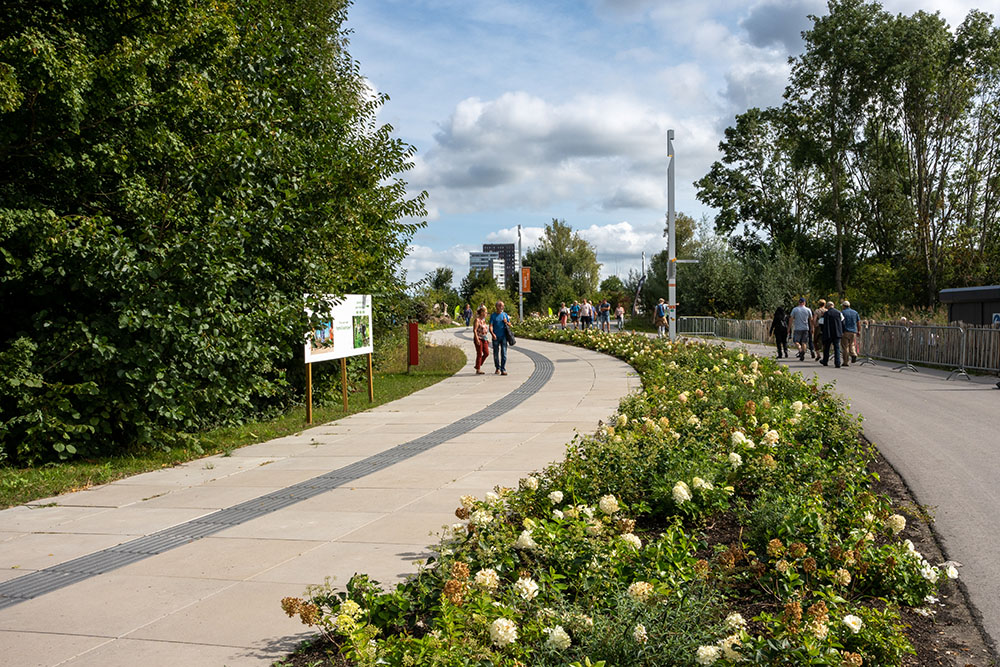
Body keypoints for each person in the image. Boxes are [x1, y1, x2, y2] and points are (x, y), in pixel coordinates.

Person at [489, 300, 511, 376]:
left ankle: (503, 369)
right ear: (497, 307)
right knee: (496, 353)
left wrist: (506, 322)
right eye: (500, 305)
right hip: (496, 337)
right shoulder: (493, 316)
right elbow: (491, 325)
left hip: (504, 337)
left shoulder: (505, 315)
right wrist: (492, 333)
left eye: (502, 306)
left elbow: (510, 325)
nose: (502, 307)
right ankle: (497, 367)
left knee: (504, 353)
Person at [820, 300, 844, 367]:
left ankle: (825, 361)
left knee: (826, 348)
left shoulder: (826, 313)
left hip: (828, 333)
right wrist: (841, 331)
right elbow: (842, 322)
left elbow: (821, 322)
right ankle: (837, 362)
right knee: (837, 348)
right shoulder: (839, 313)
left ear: (827, 306)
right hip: (837, 333)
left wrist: (822, 331)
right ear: (833, 306)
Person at [841, 300, 860, 365]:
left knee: (845, 346)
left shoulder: (843, 312)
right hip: (853, 331)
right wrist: (859, 330)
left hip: (845, 331)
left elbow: (841, 322)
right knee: (852, 344)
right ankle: (854, 354)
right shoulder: (855, 312)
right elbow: (858, 322)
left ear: (844, 306)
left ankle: (845, 362)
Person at [473, 305, 489, 374]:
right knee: (479, 353)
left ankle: (477, 365)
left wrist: (487, 338)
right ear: (482, 312)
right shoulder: (477, 320)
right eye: (485, 312)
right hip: (479, 338)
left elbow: (484, 330)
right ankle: (478, 369)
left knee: (486, 353)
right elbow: (475, 330)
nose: (486, 314)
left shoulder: (483, 320)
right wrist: (476, 339)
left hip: (484, 338)